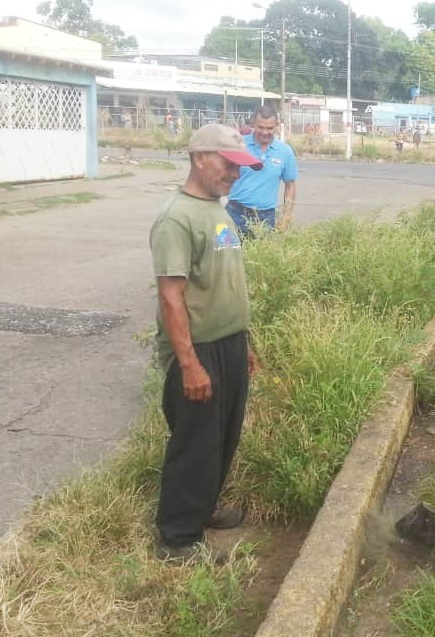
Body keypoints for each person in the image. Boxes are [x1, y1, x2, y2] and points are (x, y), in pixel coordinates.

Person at [149, 123, 262, 562]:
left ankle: (203, 508)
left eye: (239, 167)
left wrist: (242, 340)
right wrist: (189, 363)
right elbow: (171, 296)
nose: (234, 173)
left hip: (228, 343)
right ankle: (177, 539)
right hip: (197, 350)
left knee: (222, 437)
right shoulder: (176, 217)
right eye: (226, 163)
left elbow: (222, 283)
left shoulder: (217, 209)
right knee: (194, 443)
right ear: (199, 157)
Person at [226, 105, 299, 236]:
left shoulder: (285, 151)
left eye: (269, 128)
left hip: (265, 218)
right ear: (253, 123)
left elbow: (290, 185)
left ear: (276, 126)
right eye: (260, 127)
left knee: (260, 256)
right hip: (234, 213)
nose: (265, 132)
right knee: (227, 253)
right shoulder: (239, 145)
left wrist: (286, 216)